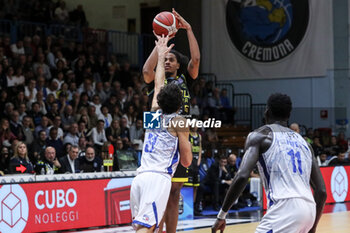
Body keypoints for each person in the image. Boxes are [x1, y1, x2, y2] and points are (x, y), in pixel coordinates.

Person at [212, 93, 327, 233]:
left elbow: (242, 176)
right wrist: (312, 226)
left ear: (267, 111)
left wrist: (222, 215)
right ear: (289, 115)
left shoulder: (260, 136)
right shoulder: (305, 143)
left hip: (284, 209)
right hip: (309, 210)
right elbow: (321, 191)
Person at [143, 9, 200, 233]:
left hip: (181, 134)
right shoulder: (156, 80)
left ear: (178, 64)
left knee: (174, 193)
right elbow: (147, 69)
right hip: (160, 133)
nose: (166, 62)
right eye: (164, 60)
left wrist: (189, 29)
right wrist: (161, 43)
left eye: (171, 59)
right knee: (160, 193)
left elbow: (195, 59)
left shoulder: (185, 78)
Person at [130, 35, 192, 233]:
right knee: (146, 229)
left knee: (146, 227)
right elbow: (187, 161)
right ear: (180, 103)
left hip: (139, 178)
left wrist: (160, 53)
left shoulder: (153, 115)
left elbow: (158, 86)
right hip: (158, 179)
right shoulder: (179, 121)